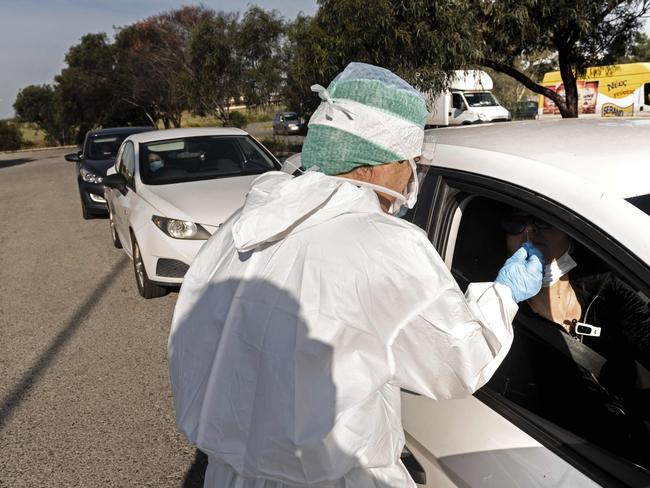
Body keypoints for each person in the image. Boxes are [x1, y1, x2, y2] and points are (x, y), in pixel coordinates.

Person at [168, 62, 544, 488]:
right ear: (371, 164)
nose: (411, 176)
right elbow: (459, 362)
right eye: (409, 160)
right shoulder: (383, 245)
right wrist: (503, 293)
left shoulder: (245, 223)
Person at [496, 208, 650, 467]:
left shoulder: (606, 289)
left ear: (571, 235)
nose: (530, 232)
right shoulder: (501, 317)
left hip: (633, 452)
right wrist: (503, 299)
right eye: (515, 223)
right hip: (564, 462)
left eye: (542, 220)